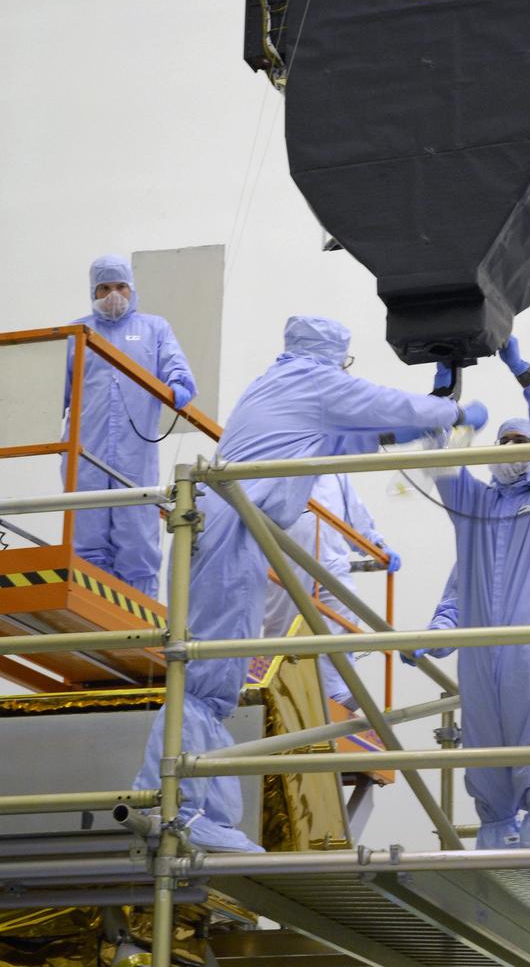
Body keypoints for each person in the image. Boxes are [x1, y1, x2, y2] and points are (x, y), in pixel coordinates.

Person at [134, 314, 487, 851]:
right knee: (208, 674)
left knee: (217, 674)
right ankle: (173, 806)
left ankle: (197, 810)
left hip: (236, 526)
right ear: (331, 356)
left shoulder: (285, 386)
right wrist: (454, 412)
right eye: (344, 363)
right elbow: (384, 406)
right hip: (234, 525)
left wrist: (430, 413)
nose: (344, 371)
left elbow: (363, 435)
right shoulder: (312, 381)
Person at [403, 337, 530, 849]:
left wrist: (527, 376)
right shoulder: (476, 509)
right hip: (482, 661)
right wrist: (444, 399)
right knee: (487, 761)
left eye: (522, 443)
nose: (510, 452)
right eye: (503, 444)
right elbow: (444, 468)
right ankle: (494, 847)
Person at [64, 254, 196, 598]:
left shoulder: (154, 329)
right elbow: (52, 393)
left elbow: (175, 366)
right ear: (93, 291)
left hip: (134, 453)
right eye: (104, 288)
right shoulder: (76, 334)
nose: (113, 295)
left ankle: (140, 609)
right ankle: (91, 603)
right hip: (85, 450)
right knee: (86, 529)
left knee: (136, 530)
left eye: (120, 287)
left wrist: (179, 384)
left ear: (132, 288)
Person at [263, 473, 401, 710]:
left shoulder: (335, 473)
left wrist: (378, 546)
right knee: (284, 628)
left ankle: (335, 691)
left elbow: (355, 514)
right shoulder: (277, 464)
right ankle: (269, 688)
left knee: (343, 617)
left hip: (331, 561)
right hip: (286, 559)